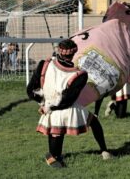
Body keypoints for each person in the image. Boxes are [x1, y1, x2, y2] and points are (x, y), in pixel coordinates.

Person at [27, 39, 112, 168]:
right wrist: (51, 106)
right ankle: (104, 151)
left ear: (59, 51)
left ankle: (53, 157)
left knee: (55, 131)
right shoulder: (80, 74)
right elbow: (68, 100)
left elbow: (30, 90)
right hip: (68, 109)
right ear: (74, 53)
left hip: (50, 108)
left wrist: (44, 105)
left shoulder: (44, 64)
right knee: (94, 121)